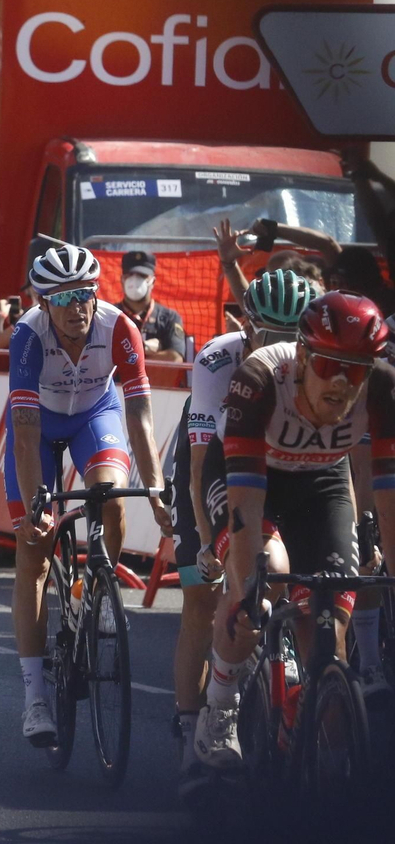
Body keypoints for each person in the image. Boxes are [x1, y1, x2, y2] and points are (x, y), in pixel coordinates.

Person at [194, 291, 395, 769]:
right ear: (302, 356)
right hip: (249, 474)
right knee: (263, 585)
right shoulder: (260, 379)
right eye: (329, 366)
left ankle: (316, 742)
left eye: (357, 369)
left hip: (320, 484)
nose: (344, 384)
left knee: (329, 635)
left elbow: (387, 500)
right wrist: (245, 586)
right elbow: (244, 507)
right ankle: (220, 707)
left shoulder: (384, 388)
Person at [5, 244, 170, 745]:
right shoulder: (27, 337)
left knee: (111, 495)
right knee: (32, 552)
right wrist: (37, 500)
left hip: (95, 417)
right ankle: (35, 698)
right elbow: (28, 432)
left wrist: (157, 485)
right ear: (43, 302)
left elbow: (140, 413)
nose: (79, 307)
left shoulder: (120, 327)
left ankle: (97, 590)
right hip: (41, 427)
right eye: (66, 298)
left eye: (87, 295)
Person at [164, 268, 310, 798]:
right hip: (216, 465)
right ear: (246, 328)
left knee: (283, 568)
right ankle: (190, 735)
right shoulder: (217, 361)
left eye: (291, 337)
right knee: (202, 599)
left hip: (279, 468)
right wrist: (206, 539)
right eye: (268, 336)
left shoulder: (307, 364)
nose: (279, 349)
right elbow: (201, 461)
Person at [115, 250, 186, 362]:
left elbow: (175, 358)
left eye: (142, 276)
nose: (134, 281)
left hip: (155, 380)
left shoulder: (169, 317)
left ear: (152, 282)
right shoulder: (109, 315)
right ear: (122, 280)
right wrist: (144, 348)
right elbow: (102, 358)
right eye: (129, 275)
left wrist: (125, 355)